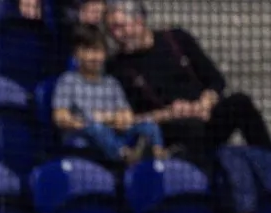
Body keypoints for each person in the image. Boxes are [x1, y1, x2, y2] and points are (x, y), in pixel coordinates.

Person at [106, 0, 271, 163]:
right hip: (168, 128)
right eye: (111, 29)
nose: (116, 35)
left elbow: (216, 80)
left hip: (204, 115)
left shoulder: (177, 39)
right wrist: (171, 113)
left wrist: (204, 103)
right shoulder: (117, 67)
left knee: (240, 103)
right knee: (191, 127)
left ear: (139, 21)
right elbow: (131, 118)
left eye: (120, 26)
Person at [52, 24, 167, 165]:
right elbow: (60, 117)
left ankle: (159, 158)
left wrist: (112, 119)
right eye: (89, 50)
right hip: (86, 135)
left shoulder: (111, 83)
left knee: (149, 125)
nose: (95, 57)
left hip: (113, 131)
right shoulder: (67, 81)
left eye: (99, 51)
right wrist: (85, 123)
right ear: (77, 53)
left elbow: (127, 115)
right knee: (97, 128)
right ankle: (127, 157)